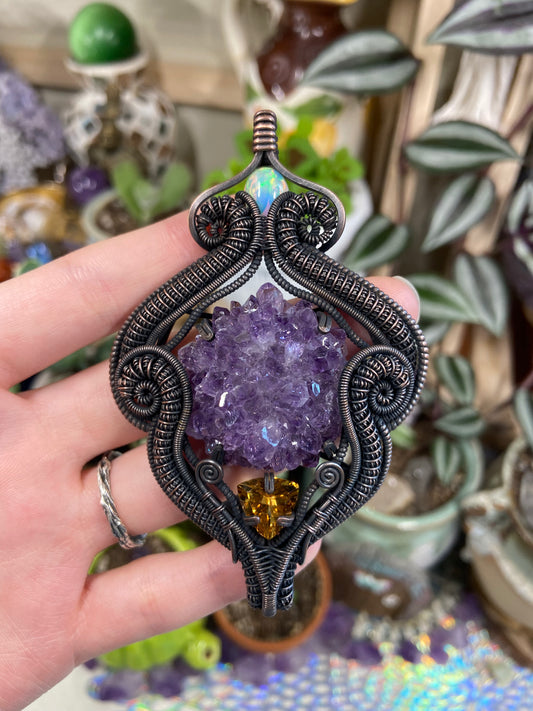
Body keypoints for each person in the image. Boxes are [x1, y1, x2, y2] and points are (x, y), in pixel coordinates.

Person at [0, 210, 420, 711]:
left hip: (280, 432)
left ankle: (270, 565)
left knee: (266, 510)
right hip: (247, 428)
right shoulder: (220, 374)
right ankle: (270, 564)